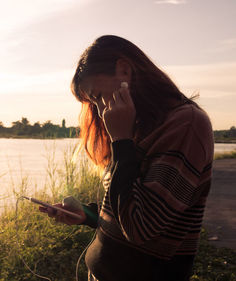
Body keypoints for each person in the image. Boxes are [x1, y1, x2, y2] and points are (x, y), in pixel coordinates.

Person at [39, 35, 213, 281]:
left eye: (98, 95)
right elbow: (129, 205)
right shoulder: (140, 126)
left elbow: (141, 227)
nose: (100, 110)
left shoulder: (186, 125)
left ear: (124, 70)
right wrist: (88, 216)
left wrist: (120, 142)